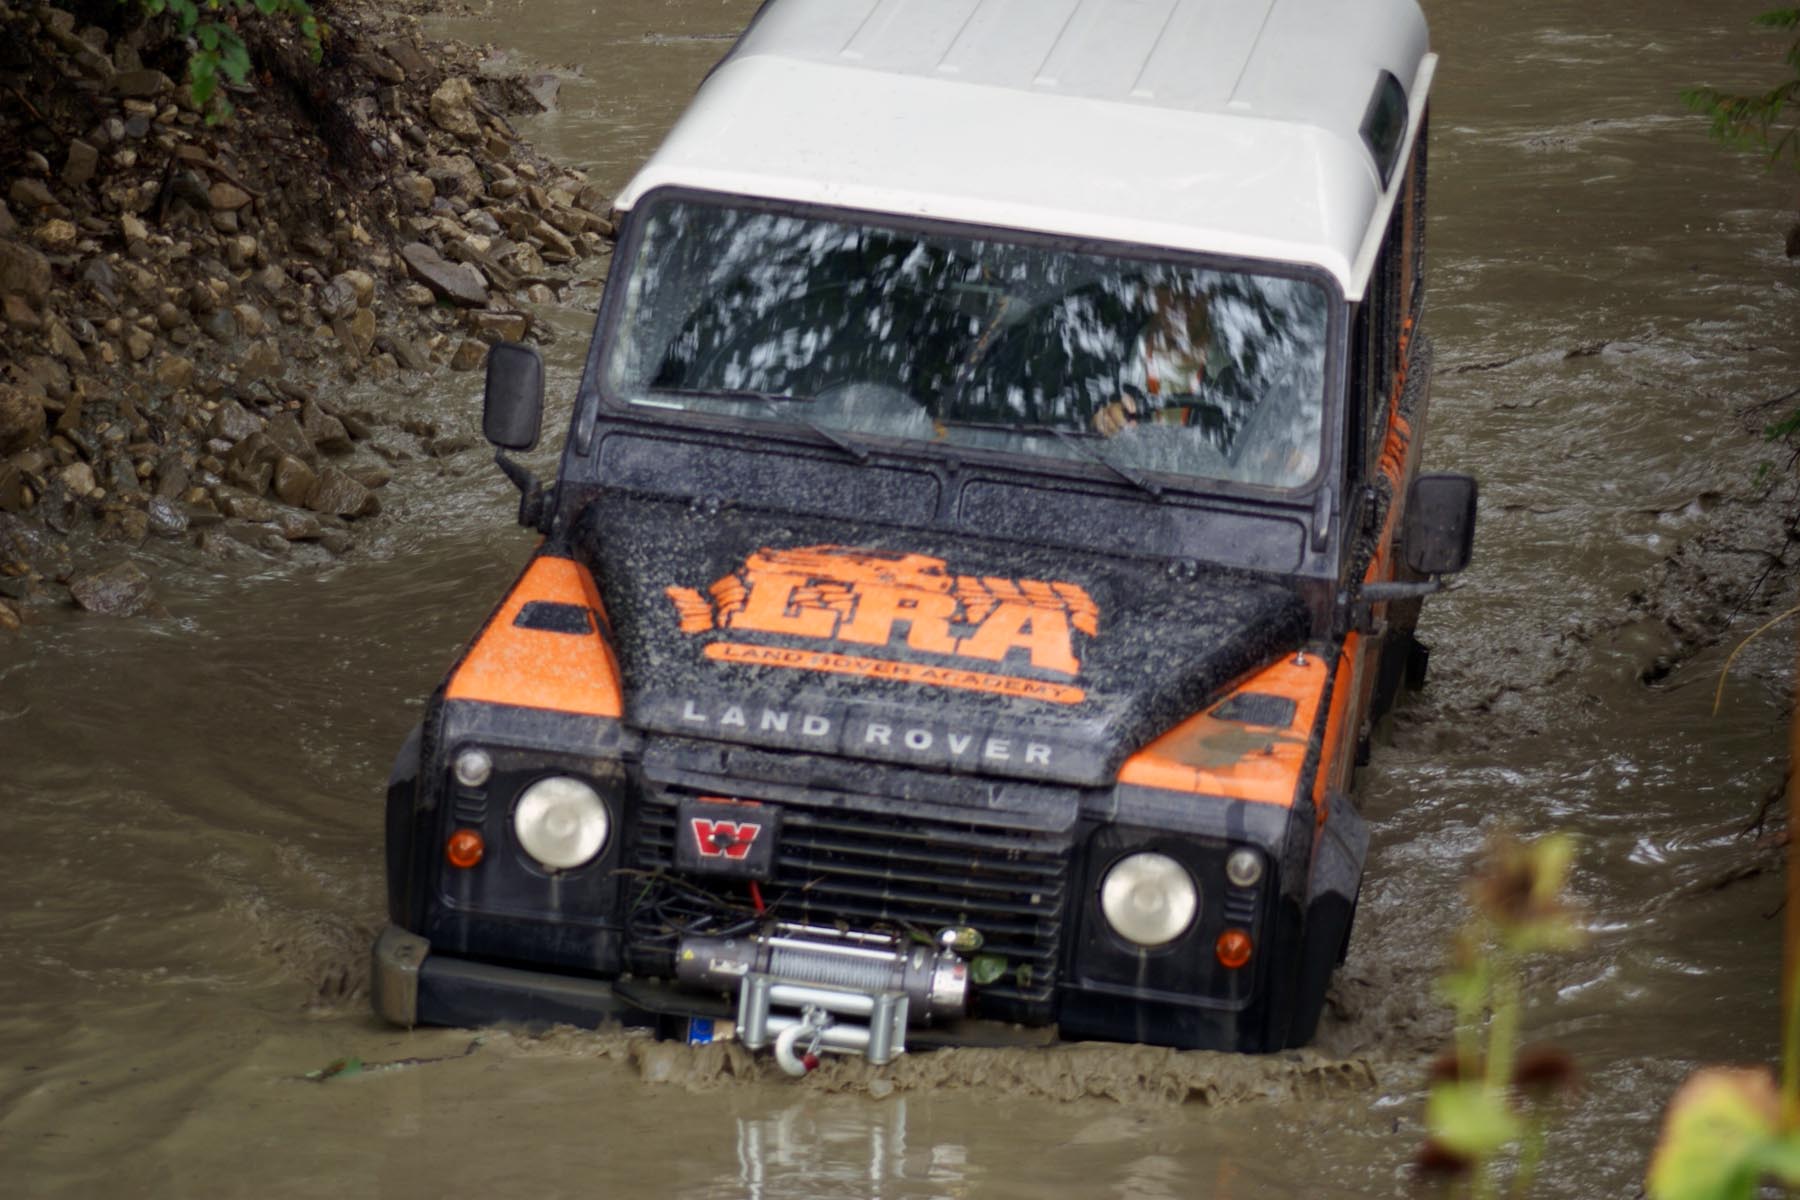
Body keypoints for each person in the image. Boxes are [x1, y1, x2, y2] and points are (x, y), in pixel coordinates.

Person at [1092, 282, 1216, 436]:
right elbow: (1079, 428)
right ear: (1149, 295)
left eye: (1191, 287)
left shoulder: (1237, 375)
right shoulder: (1107, 355)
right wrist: (1105, 421)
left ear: (1210, 295)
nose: (1179, 300)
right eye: (1167, 285)